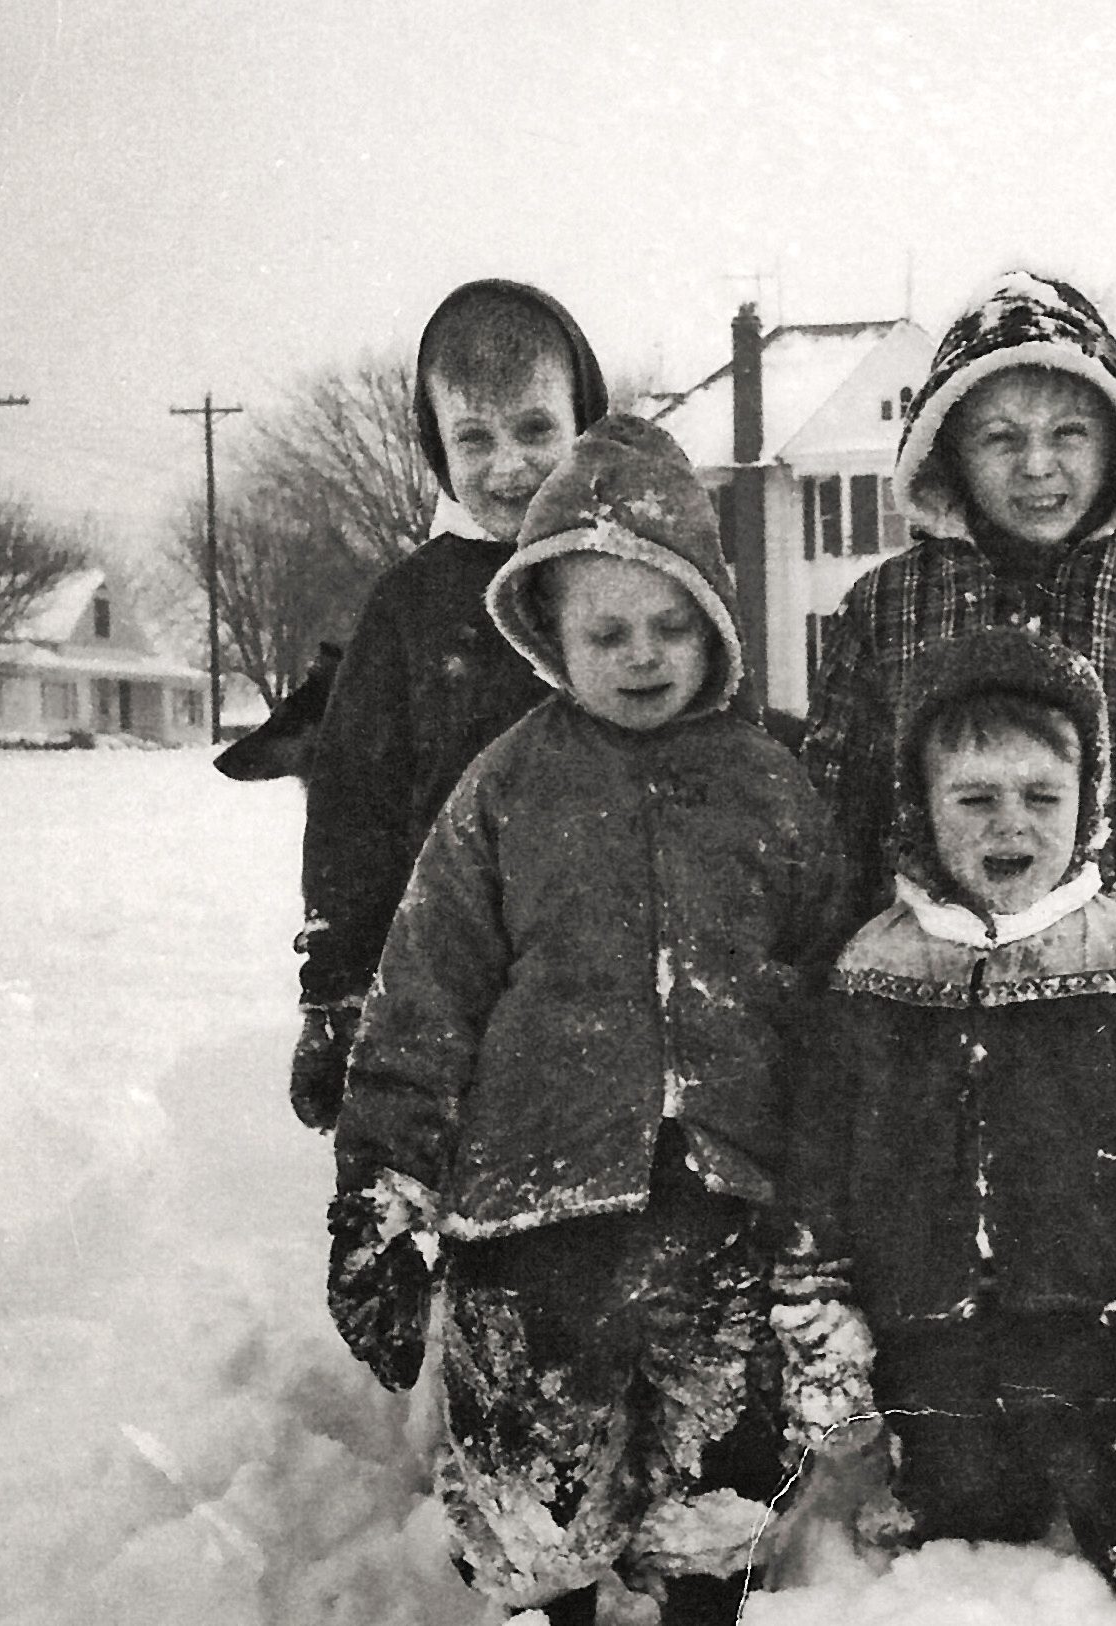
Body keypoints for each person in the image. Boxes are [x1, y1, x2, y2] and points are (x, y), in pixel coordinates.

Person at [326, 413, 841, 1625]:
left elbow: (828, 998)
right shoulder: (503, 788)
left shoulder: (777, 785)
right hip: (532, 1220)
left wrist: (834, 1184)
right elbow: (427, 994)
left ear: (716, 620)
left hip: (725, 1211)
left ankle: (703, 1596)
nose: (645, 655)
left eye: (672, 625)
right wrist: (383, 1190)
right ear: (550, 637)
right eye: (607, 630)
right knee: (531, 1496)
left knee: (723, 1481)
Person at [777, 628, 1116, 1626]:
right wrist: (823, 1317)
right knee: (955, 1561)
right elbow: (821, 1163)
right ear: (919, 807)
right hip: (927, 1350)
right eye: (973, 798)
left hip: (1099, 1351)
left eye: (1040, 797)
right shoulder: (873, 969)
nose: (1008, 825)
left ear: (1090, 803)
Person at [799, 271, 1116, 1126]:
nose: (1037, 465)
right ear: (948, 452)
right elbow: (836, 818)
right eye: (999, 437)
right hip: (930, 998)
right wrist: (830, 1000)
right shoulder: (885, 609)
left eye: (1069, 432)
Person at [290, 278, 611, 1132]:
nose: (507, 466)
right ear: (437, 449)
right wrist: (335, 990)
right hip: (440, 991)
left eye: (536, 428)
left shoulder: (638, 583)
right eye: (474, 437)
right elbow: (353, 807)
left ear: (585, 419)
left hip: (611, 987)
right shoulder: (409, 606)